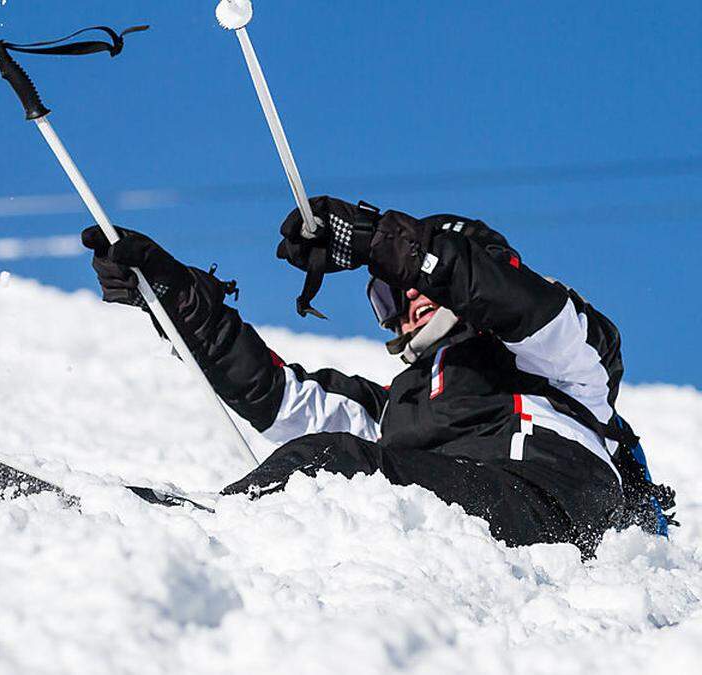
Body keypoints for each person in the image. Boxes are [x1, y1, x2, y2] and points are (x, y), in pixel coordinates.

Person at [82, 196, 675, 555]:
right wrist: (180, 300)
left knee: (337, 464)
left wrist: (381, 243)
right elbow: (281, 399)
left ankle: (206, 533)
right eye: (390, 298)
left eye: (416, 286)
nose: (409, 304)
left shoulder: (560, 360)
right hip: (444, 504)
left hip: (552, 507)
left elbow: (517, 303)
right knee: (329, 461)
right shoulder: (396, 406)